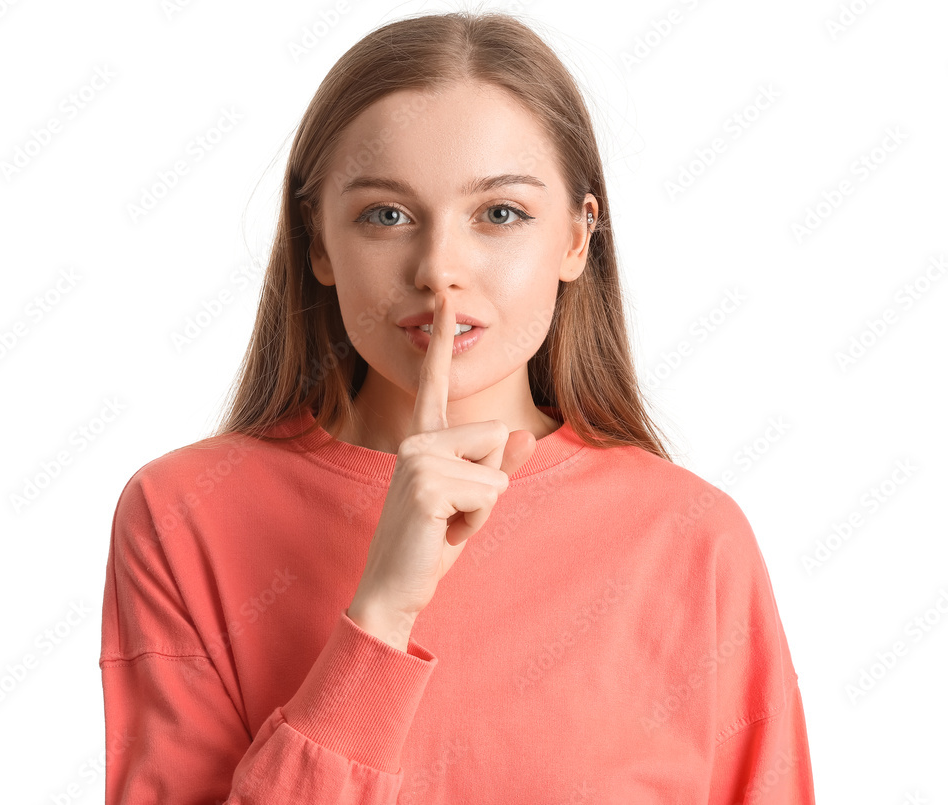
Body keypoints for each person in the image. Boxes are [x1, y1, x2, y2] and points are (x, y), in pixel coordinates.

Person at [98, 10, 816, 804]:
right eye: (386, 215)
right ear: (319, 241)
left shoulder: (692, 540)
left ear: (578, 238)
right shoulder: (180, 516)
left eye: (500, 214)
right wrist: (379, 617)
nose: (440, 268)